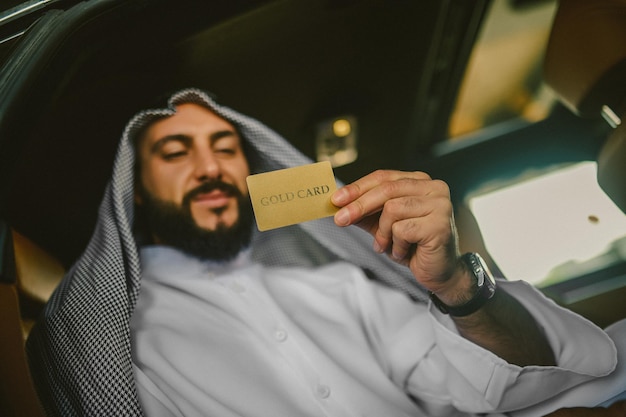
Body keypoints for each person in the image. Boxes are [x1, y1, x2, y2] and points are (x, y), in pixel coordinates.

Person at [26, 88, 625, 416]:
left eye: (225, 149)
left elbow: (516, 386)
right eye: (177, 152)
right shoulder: (123, 346)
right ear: (134, 193)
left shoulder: (340, 288)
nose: (210, 167)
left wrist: (455, 288)